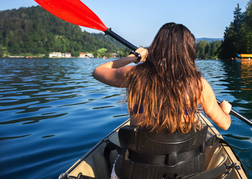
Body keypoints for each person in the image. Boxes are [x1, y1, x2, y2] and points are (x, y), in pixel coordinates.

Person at [92, 22, 232, 179]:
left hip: (135, 173)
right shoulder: (199, 85)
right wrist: (225, 111)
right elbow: (225, 124)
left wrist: (134, 57)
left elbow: (98, 71)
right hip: (187, 173)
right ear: (189, 52)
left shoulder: (134, 75)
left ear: (156, 47)